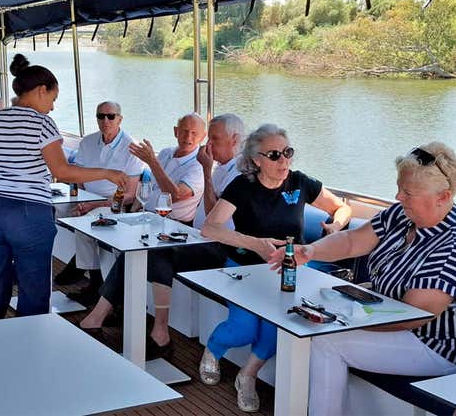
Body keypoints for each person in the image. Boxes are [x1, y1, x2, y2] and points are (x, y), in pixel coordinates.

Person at [269, 142, 456, 416]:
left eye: (408, 192)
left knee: (325, 341)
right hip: (385, 321)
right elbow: (351, 240)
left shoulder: (450, 243)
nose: (398, 197)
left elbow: (414, 314)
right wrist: (309, 251)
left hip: (432, 344)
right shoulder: (401, 216)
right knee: (308, 328)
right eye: (398, 188)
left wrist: (343, 320)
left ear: (443, 196)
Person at [200, 123, 352, 412]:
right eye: (274, 155)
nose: (283, 161)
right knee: (243, 329)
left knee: (276, 328)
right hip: (245, 268)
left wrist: (336, 225)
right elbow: (210, 228)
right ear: (256, 159)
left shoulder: (300, 183)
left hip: (290, 271)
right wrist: (256, 243)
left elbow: (342, 208)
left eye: (287, 153)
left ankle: (248, 375)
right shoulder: (243, 187)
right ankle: (214, 349)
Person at [0, 54, 127, 321]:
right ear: (41, 90)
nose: (52, 108)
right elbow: (61, 171)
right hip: (29, 213)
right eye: (53, 99)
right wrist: (107, 172)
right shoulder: (42, 123)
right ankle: (31, 342)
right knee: (33, 283)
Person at [79, 113, 244, 356]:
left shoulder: (234, 173)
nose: (207, 146)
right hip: (196, 236)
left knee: (155, 254)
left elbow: (207, 213)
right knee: (132, 252)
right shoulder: (217, 167)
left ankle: (160, 333)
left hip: (220, 246)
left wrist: (207, 172)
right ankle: (99, 317)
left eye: (212, 139)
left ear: (235, 140)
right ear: (175, 131)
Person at [57, 101, 145, 305]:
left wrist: (93, 205)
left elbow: (130, 195)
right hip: (87, 197)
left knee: (84, 225)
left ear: (120, 119)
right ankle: (68, 266)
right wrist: (80, 199)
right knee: (50, 208)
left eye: (111, 116)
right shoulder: (87, 142)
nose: (105, 120)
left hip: (114, 206)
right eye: (100, 116)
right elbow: (77, 176)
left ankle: (94, 282)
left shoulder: (131, 147)